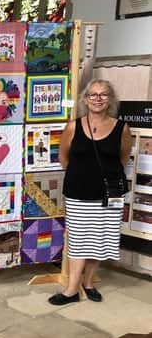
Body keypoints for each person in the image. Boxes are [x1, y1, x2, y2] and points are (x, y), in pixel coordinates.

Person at [49, 79, 131, 305]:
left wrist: (102, 178)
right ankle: (71, 290)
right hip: (78, 193)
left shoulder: (121, 128)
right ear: (85, 100)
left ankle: (89, 282)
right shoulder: (73, 126)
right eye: (93, 94)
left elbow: (122, 159)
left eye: (103, 94)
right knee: (78, 240)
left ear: (110, 99)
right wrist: (82, 175)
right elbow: (63, 157)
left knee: (101, 238)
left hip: (109, 194)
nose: (97, 98)